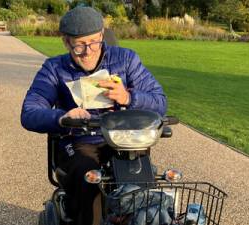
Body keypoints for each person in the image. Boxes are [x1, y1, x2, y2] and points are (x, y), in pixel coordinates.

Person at [20, 6, 167, 225]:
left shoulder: (126, 59)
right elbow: (29, 112)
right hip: (79, 141)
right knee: (89, 176)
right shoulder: (54, 68)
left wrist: (128, 97)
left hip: (124, 141)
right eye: (79, 45)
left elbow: (160, 101)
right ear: (66, 42)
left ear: (101, 35)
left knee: (142, 182)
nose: (88, 51)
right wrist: (62, 117)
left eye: (94, 42)